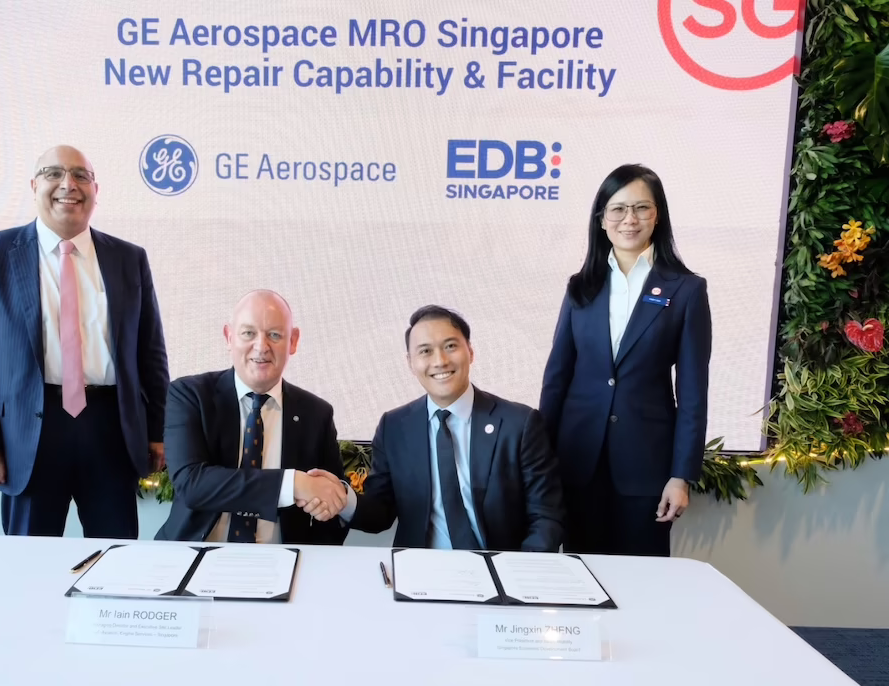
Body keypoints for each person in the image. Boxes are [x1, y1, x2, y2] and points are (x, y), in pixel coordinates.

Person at [0, 145, 170, 538]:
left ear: (95, 189)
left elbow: (150, 352)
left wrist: (158, 430)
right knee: (28, 564)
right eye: (53, 174)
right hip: (29, 432)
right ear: (34, 186)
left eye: (80, 175)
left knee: (115, 560)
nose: (67, 184)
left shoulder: (129, 258)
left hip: (111, 430)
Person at [539, 163, 712, 557]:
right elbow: (556, 380)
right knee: (579, 578)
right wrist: (540, 462)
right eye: (617, 209)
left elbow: (693, 395)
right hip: (577, 461)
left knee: (644, 587)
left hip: (646, 467)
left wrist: (680, 476)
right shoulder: (581, 286)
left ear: (658, 216)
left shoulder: (685, 290)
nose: (629, 220)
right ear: (601, 220)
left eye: (641, 208)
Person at [304, 305, 565, 552]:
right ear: (410, 363)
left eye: (450, 346)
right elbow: (379, 514)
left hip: (498, 572)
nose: (439, 361)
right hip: (420, 573)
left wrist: (519, 572)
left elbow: (546, 516)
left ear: (470, 352)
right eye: (425, 351)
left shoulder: (519, 424)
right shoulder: (394, 427)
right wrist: (342, 498)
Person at [155, 290, 350, 544]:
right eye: (248, 333)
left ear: (293, 341)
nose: (261, 346)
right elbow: (192, 484)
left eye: (275, 335)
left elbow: (330, 500)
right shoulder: (190, 395)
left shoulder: (317, 413)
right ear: (229, 337)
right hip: (195, 553)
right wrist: (293, 484)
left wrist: (327, 508)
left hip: (282, 562)